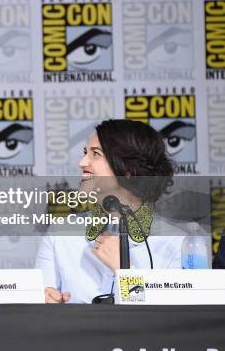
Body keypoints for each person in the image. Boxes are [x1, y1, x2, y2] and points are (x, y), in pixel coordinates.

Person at [35, 119, 182, 303]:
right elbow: (38, 311)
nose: (82, 162)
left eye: (95, 154)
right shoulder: (59, 235)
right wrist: (46, 302)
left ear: (128, 169)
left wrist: (125, 272)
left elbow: (175, 323)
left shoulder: (177, 243)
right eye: (84, 153)